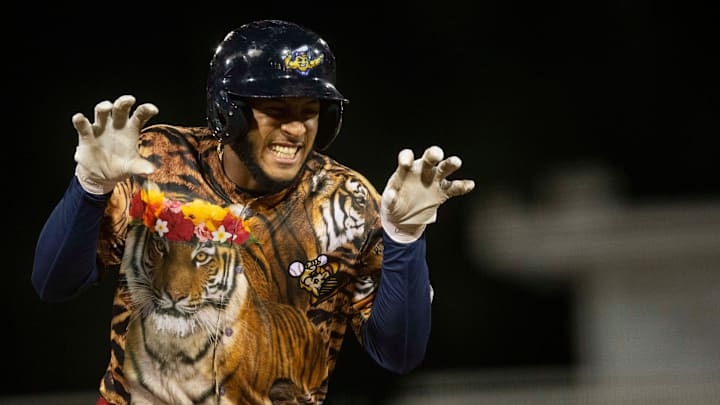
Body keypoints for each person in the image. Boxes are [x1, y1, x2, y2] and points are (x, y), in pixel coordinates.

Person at [32, 19, 474, 405]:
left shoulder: (350, 203)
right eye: (276, 109)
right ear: (230, 110)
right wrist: (89, 189)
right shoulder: (154, 159)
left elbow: (399, 354)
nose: (297, 127)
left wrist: (404, 239)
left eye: (310, 111)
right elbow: (53, 283)